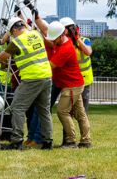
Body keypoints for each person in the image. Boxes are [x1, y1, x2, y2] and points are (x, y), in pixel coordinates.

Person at [0, 15, 53, 150]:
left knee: (16, 108)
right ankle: (47, 142)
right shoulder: (36, 34)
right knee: (44, 111)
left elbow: (2, 57)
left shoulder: (17, 42)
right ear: (25, 26)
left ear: (14, 31)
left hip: (32, 78)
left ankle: (16, 141)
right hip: (47, 76)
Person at [38, 19, 91, 149]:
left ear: (62, 35)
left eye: (54, 38)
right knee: (80, 114)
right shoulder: (61, 41)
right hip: (73, 83)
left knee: (62, 111)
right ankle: (85, 141)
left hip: (71, 85)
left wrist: (35, 64)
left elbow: (51, 65)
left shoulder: (66, 48)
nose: (53, 41)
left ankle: (71, 142)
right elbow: (49, 38)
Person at [59, 17, 93, 111]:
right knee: (68, 110)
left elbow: (88, 52)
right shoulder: (64, 44)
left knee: (82, 111)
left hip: (84, 81)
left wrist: (77, 39)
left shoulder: (84, 40)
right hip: (70, 82)